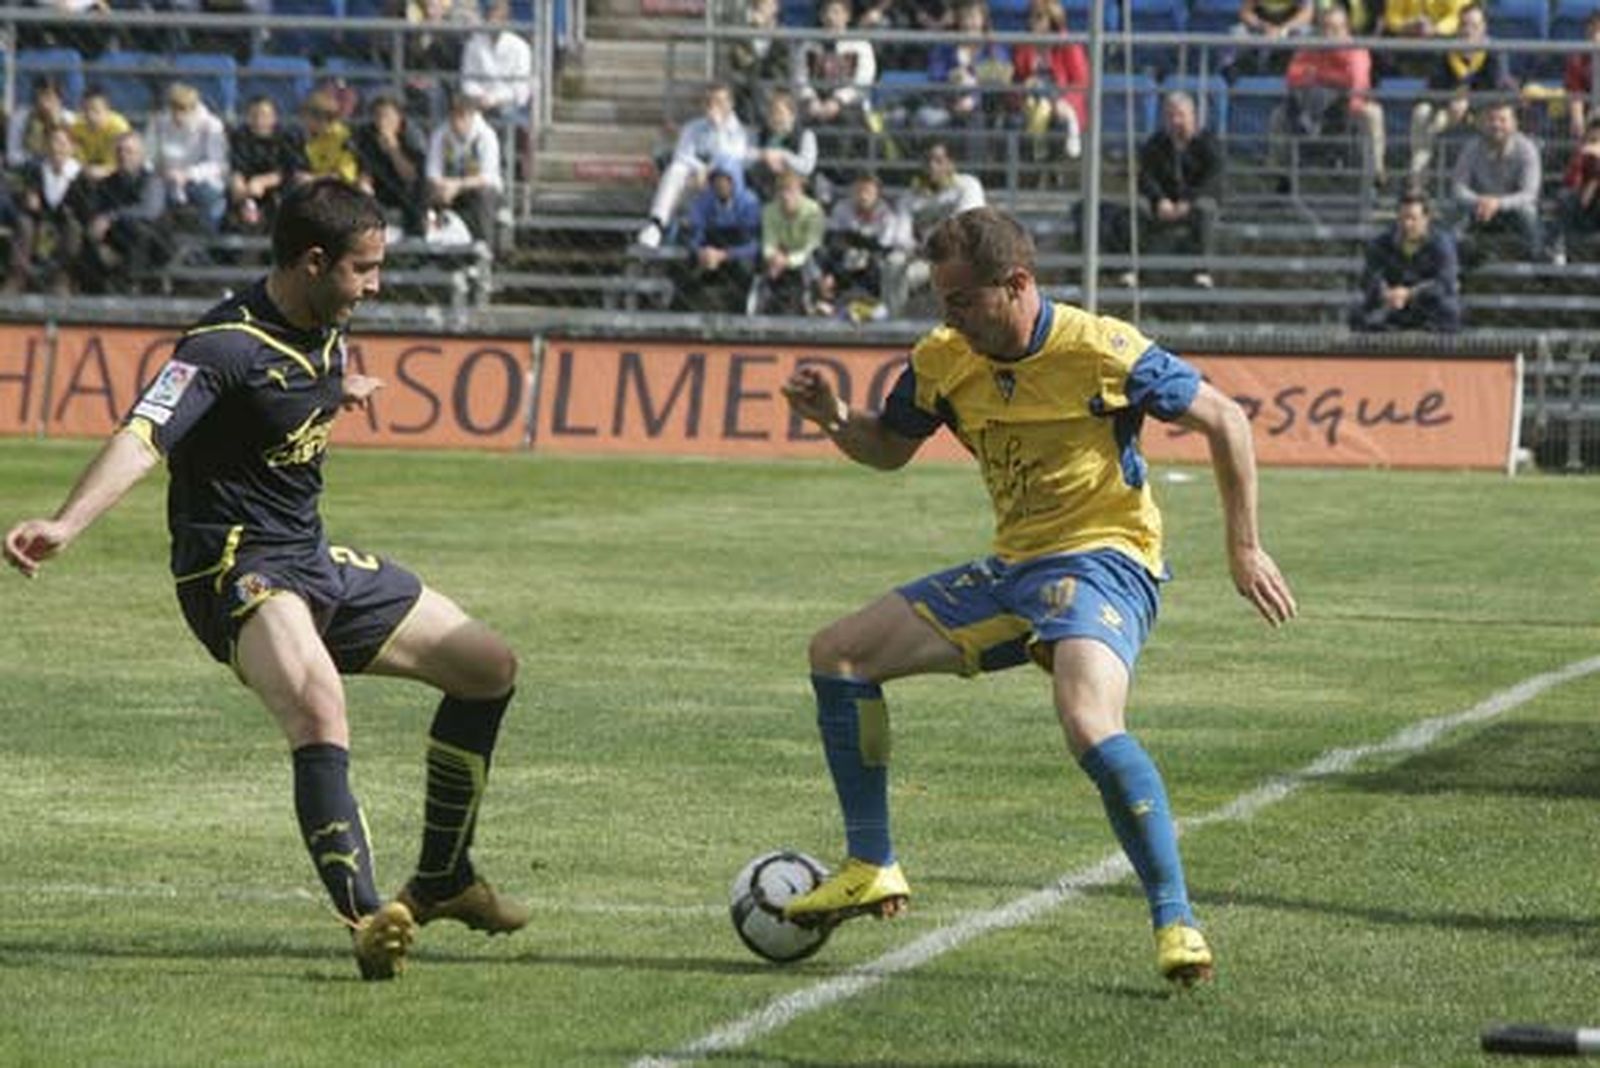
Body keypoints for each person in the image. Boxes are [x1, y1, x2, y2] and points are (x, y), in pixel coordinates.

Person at [4, 178, 528, 982]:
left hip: (311, 561)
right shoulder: (218, 347)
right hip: (236, 572)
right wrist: (66, 523)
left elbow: (284, 397)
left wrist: (334, 389)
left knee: (488, 668)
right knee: (320, 705)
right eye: (364, 269)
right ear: (314, 263)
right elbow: (144, 435)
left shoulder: (324, 324)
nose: (376, 285)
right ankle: (365, 918)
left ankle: (445, 877)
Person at [778, 205, 1296, 986]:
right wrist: (835, 419)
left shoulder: (1099, 350)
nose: (946, 318)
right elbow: (887, 449)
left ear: (1016, 285)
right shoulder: (943, 359)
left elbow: (1225, 419)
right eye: (940, 302)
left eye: (960, 301)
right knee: (838, 654)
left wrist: (1244, 546)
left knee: (1087, 718)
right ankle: (871, 862)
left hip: (1106, 562)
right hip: (1014, 570)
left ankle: (1176, 919)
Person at [1270, 5, 1385, 190]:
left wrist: (1319, 76)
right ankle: (1282, 178)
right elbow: (1293, 76)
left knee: (1373, 114)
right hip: (1310, 109)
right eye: (1325, 28)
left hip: (1345, 110)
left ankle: (1375, 176)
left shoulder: (1356, 50)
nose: (1329, 34)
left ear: (1346, 29)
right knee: (1278, 115)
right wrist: (1332, 79)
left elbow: (1357, 83)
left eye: (1335, 28)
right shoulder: (1310, 46)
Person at [1406, 5, 1515, 181]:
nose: (1468, 31)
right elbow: (1432, 88)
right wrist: (1449, 102)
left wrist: (1469, 102)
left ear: (1484, 27)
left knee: (1499, 121)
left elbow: (1497, 89)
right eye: (1464, 25)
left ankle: (1495, 181)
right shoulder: (1447, 51)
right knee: (1422, 112)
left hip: (1484, 111)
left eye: (1474, 26)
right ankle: (1417, 178)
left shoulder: (1495, 52)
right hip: (1449, 110)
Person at [636, 82, 749, 250]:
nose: (713, 106)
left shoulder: (739, 131)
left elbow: (731, 158)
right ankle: (656, 224)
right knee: (676, 169)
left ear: (730, 104)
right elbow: (682, 154)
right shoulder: (693, 126)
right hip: (694, 181)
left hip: (724, 186)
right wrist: (700, 169)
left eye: (719, 101)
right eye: (709, 101)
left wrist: (718, 129)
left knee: (724, 169)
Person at [1131, 91, 1223, 288]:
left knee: (1205, 209)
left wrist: (1188, 201)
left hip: (1194, 203)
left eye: (1181, 115)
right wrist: (1159, 200)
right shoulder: (1155, 144)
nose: (1176, 121)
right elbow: (1145, 177)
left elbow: (1213, 179)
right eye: (1170, 115)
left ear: (1193, 116)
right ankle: (1135, 269)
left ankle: (1202, 271)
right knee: (1137, 209)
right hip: (1163, 204)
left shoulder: (1208, 143)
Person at [884, 140, 986, 315]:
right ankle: (895, 320)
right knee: (893, 262)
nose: (932, 166)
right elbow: (900, 236)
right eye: (927, 161)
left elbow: (967, 224)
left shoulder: (967, 185)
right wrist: (916, 249)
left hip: (961, 258)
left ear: (950, 164)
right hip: (926, 261)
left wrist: (936, 248)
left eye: (938, 160)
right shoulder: (910, 196)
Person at [1350, 193, 1462, 332]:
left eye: (1413, 218)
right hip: (1391, 304)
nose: (1407, 224)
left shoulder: (1442, 243)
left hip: (1426, 305)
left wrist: (1410, 293)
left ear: (1426, 218)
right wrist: (1386, 292)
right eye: (1402, 218)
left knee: (1450, 310)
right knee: (1358, 311)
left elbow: (1445, 281)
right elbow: (1370, 276)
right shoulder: (1381, 242)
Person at [77, 131, 171, 294]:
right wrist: (99, 240)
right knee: (87, 235)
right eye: (119, 151)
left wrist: (111, 217)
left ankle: (132, 287)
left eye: (129, 151)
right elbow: (95, 212)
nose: (123, 155)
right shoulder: (107, 183)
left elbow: (150, 211)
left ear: (141, 155)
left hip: (152, 243)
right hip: (115, 240)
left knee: (138, 231)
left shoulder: (152, 180)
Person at [1450, 99, 1542, 262]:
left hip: (1512, 211)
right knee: (1455, 214)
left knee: (1529, 213)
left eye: (1502, 120)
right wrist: (1480, 201)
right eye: (1491, 119)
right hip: (1479, 209)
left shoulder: (1526, 148)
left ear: (1514, 124)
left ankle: (1538, 263)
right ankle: (1464, 261)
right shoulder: (1471, 147)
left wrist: (1498, 203)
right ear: (1482, 124)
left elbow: (1529, 193)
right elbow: (1458, 187)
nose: (1496, 125)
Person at [4, 125, 87, 295]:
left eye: (62, 143)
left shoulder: (81, 176)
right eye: (53, 143)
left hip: (67, 222)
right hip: (38, 219)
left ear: (72, 147)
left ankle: (62, 278)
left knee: (73, 227)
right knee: (23, 223)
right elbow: (16, 193)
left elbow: (87, 207)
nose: (57, 148)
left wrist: (70, 210)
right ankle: (18, 276)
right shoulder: (34, 170)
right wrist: (26, 196)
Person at [815, 171, 906, 320]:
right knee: (822, 254)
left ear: (877, 194)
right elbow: (833, 239)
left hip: (873, 262)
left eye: (868, 191)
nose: (863, 196)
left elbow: (883, 247)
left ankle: (875, 308)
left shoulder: (887, 214)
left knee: (878, 263)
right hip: (846, 258)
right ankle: (827, 303)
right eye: (859, 191)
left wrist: (860, 248)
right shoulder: (842, 208)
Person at [675, 160, 762, 313]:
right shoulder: (704, 201)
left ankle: (740, 315)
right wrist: (700, 252)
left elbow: (754, 245)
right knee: (682, 267)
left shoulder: (750, 203)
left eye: (726, 180)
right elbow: (694, 233)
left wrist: (724, 255)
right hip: (709, 251)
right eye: (717, 179)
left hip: (736, 253)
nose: (721, 184)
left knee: (745, 269)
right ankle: (680, 314)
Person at [145, 81, 230, 234]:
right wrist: (160, 169)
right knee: (152, 204)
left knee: (212, 200)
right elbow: (148, 157)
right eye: (174, 108)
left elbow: (217, 164)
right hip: (165, 180)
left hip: (201, 182)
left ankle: (205, 245)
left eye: (184, 109)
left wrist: (188, 175)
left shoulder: (211, 124)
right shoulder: (158, 122)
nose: (178, 114)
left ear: (194, 107)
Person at [1012, 0, 1089, 166]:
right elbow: (1016, 79)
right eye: (1030, 17)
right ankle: (1034, 166)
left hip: (1062, 99)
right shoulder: (1022, 45)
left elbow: (1081, 83)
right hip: (1030, 100)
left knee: (1057, 119)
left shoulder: (1069, 44)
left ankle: (1050, 166)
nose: (1032, 22)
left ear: (1052, 20)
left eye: (1039, 18)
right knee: (1017, 119)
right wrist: (1024, 86)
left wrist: (1064, 103)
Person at [426, 90, 504, 245]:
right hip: (447, 188)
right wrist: (443, 187)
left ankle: (482, 250)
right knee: (425, 193)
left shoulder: (486, 136)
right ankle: (430, 247)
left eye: (462, 116)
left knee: (484, 196)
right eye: (454, 115)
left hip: (478, 190)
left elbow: (487, 177)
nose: (457, 121)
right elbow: (432, 172)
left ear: (472, 115)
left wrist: (457, 186)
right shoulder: (441, 135)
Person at [353, 95, 431, 240]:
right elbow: (364, 170)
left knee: (416, 191)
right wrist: (364, 183)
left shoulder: (411, 135)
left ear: (399, 117)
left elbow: (411, 176)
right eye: (377, 116)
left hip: (406, 190)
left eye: (387, 116)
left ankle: (415, 237)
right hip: (379, 189)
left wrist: (393, 148)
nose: (382, 121)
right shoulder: (367, 134)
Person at [227, 95, 307, 234]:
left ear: (274, 117)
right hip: (248, 191)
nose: (259, 121)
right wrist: (239, 185)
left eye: (264, 115)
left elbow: (290, 170)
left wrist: (263, 181)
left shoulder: (286, 138)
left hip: (278, 192)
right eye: (254, 115)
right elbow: (237, 167)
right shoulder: (240, 136)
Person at [759, 168, 825, 314]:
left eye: (791, 190)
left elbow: (812, 245)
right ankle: (761, 304)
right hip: (779, 254)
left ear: (801, 191)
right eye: (782, 189)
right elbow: (768, 242)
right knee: (761, 261)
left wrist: (788, 261)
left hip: (806, 256)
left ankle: (814, 301)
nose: (786, 195)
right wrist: (773, 257)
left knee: (815, 258)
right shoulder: (769, 210)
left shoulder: (814, 210)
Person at [460, 0, 534, 121]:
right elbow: (467, 79)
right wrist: (479, 96)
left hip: (508, 106)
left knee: (507, 115)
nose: (493, 22)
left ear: (507, 20)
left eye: (498, 19)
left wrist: (494, 99)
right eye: (490, 17)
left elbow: (521, 91)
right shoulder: (473, 44)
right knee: (462, 115)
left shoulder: (521, 47)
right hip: (477, 103)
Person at [1553, 116, 1600, 264]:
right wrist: (1581, 158)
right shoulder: (1582, 154)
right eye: (1595, 129)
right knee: (1564, 196)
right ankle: (1559, 248)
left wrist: (1595, 179)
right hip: (1583, 212)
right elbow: (1570, 182)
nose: (1597, 133)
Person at [69, 86, 132, 183]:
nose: (90, 115)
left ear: (107, 110)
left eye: (95, 110)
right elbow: (75, 161)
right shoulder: (77, 127)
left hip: (116, 175)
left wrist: (103, 171)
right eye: (85, 110)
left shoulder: (119, 128)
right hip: (87, 174)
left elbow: (124, 162)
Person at [1564, 10, 1600, 147]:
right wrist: (1577, 117)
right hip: (1591, 115)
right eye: (1594, 29)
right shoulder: (1578, 59)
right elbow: (1575, 91)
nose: (1597, 35)